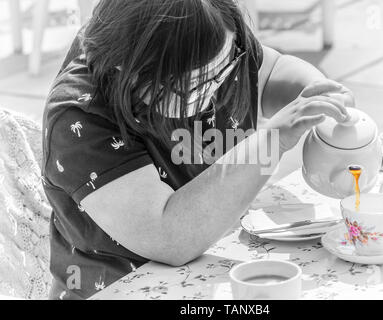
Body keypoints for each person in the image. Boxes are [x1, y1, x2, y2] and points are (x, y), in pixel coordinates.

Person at [42, 0, 354, 300]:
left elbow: (270, 71)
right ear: (129, 70)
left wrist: (317, 94)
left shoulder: (214, 43)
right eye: (193, 86)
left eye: (223, 71)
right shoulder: (80, 117)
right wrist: (273, 141)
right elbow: (169, 236)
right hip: (119, 286)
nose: (215, 91)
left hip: (210, 266)